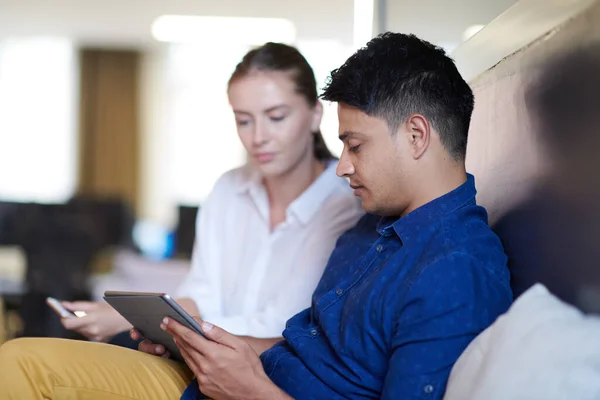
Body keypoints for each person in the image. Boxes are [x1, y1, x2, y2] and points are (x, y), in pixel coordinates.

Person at [0, 32, 512, 400]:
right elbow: (303, 342)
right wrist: (201, 344)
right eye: (244, 121)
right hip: (230, 380)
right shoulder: (373, 228)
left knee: (21, 367)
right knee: (19, 361)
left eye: (355, 145)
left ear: (418, 135)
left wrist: (249, 388)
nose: (343, 167)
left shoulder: (455, 269)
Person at [57, 42, 364, 346]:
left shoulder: (346, 202)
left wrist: (152, 325)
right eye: (244, 120)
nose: (258, 138)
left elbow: (282, 326)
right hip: (196, 354)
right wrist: (135, 317)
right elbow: (199, 299)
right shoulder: (228, 190)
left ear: (314, 114)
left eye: (276, 117)